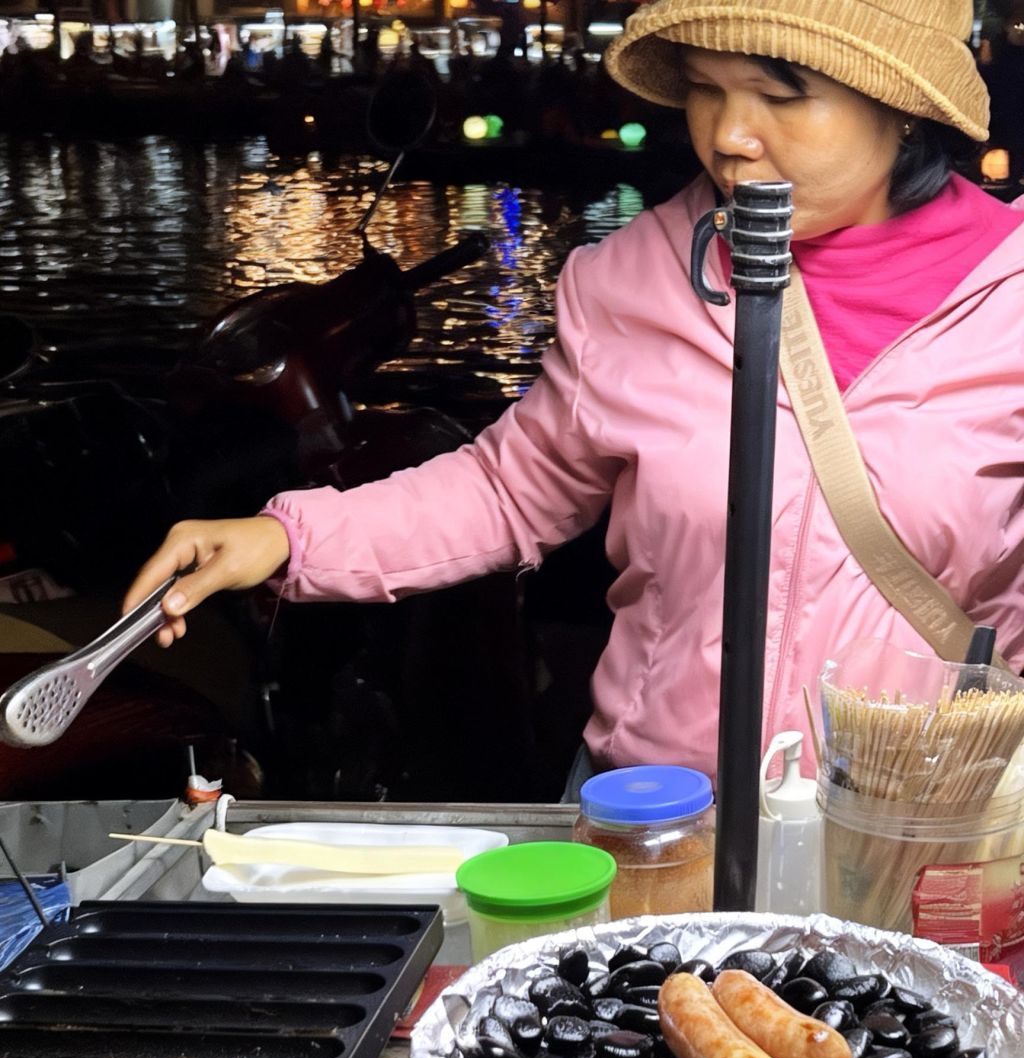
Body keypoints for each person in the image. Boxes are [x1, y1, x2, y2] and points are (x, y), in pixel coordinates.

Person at [125, 0, 1024, 789]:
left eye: (780, 94)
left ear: (904, 109)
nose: (729, 134)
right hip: (661, 810)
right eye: (708, 89)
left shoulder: (1009, 297)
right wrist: (288, 537)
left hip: (923, 835)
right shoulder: (631, 278)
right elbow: (509, 489)